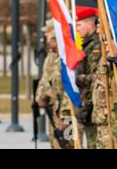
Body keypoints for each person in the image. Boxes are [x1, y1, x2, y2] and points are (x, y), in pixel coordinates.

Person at [35, 20, 73, 149]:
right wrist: (40, 96)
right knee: (56, 144)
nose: (46, 36)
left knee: (68, 144)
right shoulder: (51, 56)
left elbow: (71, 87)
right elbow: (45, 78)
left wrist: (65, 115)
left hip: (67, 114)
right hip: (53, 110)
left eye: (48, 33)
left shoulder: (68, 56)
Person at [75, 9, 101, 149]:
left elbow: (97, 79)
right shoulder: (87, 45)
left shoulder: (96, 46)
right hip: (89, 107)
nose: (77, 29)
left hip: (94, 107)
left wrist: (78, 78)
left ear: (90, 24)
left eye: (79, 25)